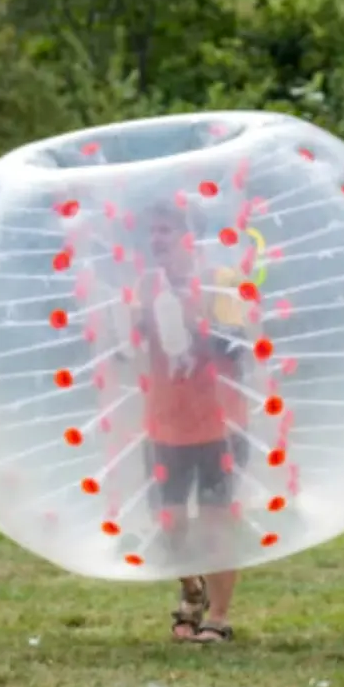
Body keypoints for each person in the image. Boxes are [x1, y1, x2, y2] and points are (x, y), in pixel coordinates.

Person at [136, 202, 249, 644]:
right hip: (166, 422)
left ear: (189, 236)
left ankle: (218, 617)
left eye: (166, 230)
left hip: (220, 422)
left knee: (218, 521)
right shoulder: (147, 287)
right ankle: (190, 588)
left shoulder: (220, 284)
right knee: (170, 523)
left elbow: (238, 346)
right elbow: (131, 347)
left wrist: (192, 321)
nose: (158, 240)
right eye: (153, 232)